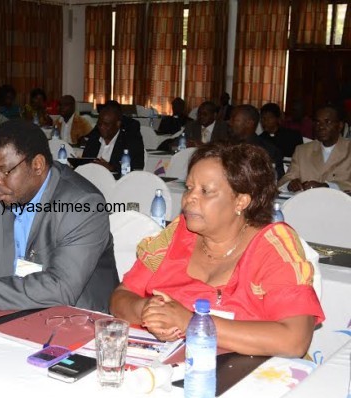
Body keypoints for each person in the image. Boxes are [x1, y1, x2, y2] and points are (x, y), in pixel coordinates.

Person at [110, 143, 324, 357]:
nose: (189, 198)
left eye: (205, 191)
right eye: (189, 188)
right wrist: (147, 310)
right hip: (165, 364)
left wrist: (192, 323)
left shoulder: (272, 246)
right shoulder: (177, 234)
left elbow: (294, 341)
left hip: (248, 376)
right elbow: (121, 297)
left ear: (241, 201)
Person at [0, 120, 119, 312]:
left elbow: (61, 288)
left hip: (78, 320)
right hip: (13, 310)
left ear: (37, 165)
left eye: (4, 170)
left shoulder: (83, 205)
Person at [278, 105, 351, 192]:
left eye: (327, 122)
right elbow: (285, 180)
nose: (321, 127)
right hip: (306, 203)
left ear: (340, 126)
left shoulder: (348, 149)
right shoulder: (302, 151)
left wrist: (327, 186)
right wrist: (289, 184)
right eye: (317, 122)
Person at [82, 101, 145, 174]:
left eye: (106, 124)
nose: (101, 127)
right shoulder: (94, 138)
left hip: (117, 183)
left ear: (118, 124)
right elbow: (85, 161)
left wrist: (112, 168)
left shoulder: (131, 142)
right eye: (99, 123)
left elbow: (137, 168)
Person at [228, 104, 285, 179]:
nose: (229, 123)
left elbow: (276, 180)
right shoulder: (226, 147)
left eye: (234, 120)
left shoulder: (269, 151)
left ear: (249, 123)